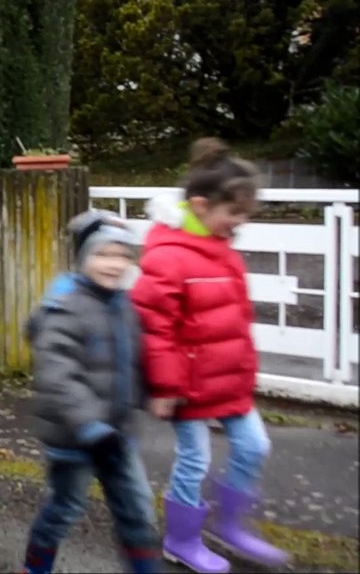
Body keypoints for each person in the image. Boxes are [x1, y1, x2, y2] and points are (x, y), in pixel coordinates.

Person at [132, 138, 286, 574]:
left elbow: (233, 319)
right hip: (185, 386)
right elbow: (155, 328)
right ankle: (181, 540)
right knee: (195, 458)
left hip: (227, 380)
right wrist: (164, 387)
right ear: (200, 205)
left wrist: (242, 369)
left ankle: (229, 523)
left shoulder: (223, 249)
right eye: (233, 212)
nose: (240, 222)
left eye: (245, 214)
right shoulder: (168, 256)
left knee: (254, 445)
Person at [21, 210, 160, 574]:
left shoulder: (123, 305)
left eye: (122, 255)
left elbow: (132, 361)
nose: (114, 264)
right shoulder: (64, 308)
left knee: (137, 511)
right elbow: (58, 375)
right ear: (83, 257)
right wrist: (90, 426)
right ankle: (35, 567)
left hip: (117, 436)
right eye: (103, 254)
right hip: (73, 438)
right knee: (65, 508)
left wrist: (154, 393)